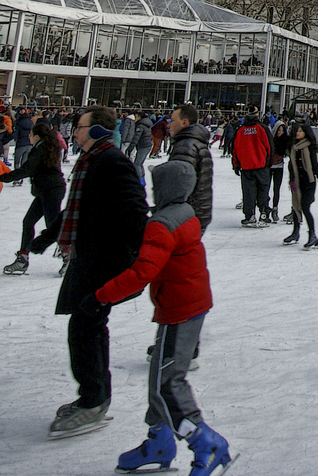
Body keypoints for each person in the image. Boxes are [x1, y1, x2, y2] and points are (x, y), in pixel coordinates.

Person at [100, 161, 234, 476]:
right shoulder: (185, 213)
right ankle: (160, 440)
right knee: (159, 379)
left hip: (180, 308)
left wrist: (101, 296)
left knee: (168, 383)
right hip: (187, 302)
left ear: (166, 188)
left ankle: (206, 442)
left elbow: (143, 271)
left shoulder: (163, 223)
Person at [40, 106, 148, 439]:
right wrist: (47, 236)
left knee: (85, 325)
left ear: (98, 130)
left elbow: (136, 211)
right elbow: (78, 204)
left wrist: (135, 259)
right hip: (90, 255)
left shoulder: (112, 162)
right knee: (89, 324)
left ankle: (93, 400)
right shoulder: (90, 161)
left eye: (80, 127)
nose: (74, 132)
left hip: (106, 259)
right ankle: (94, 396)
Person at [0, 118, 67, 275]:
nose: (29, 137)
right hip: (46, 190)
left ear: (37, 136)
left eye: (31, 134)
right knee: (28, 222)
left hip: (51, 190)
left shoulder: (41, 150)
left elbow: (27, 170)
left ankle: (69, 257)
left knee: (53, 227)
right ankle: (23, 258)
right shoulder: (46, 147)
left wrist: (3, 177)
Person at [165, 105, 214, 231]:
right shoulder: (196, 143)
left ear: (184, 122)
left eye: (172, 120)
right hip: (196, 214)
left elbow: (179, 187)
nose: (168, 125)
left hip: (185, 218)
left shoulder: (186, 146)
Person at [282, 123, 318, 248]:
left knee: (305, 207)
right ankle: (295, 232)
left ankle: (312, 235)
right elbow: (291, 166)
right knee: (296, 206)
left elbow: (315, 167)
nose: (298, 133)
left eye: (300, 131)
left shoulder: (310, 147)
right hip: (297, 182)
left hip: (309, 182)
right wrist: (291, 180)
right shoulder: (294, 148)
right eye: (297, 131)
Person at [231, 110, 273, 227]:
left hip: (246, 167)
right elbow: (269, 146)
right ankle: (263, 213)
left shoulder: (240, 131)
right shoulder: (262, 128)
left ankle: (249, 216)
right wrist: (268, 162)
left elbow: (234, 149)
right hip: (261, 166)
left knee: (249, 193)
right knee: (263, 191)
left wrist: (236, 165)